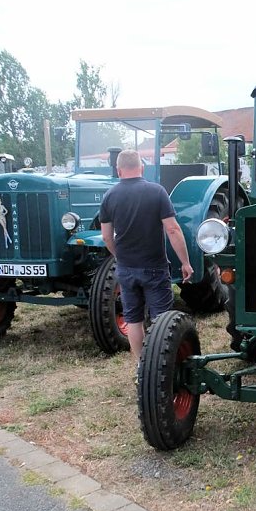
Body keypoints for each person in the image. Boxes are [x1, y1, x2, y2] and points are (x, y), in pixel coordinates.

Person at [99, 149, 193, 364]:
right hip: (154, 267)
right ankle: (163, 366)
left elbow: (106, 237)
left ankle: (142, 367)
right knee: (162, 321)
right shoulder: (157, 192)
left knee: (133, 319)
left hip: (126, 269)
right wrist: (185, 262)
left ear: (118, 170)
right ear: (142, 168)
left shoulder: (109, 196)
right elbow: (173, 230)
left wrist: (119, 256)